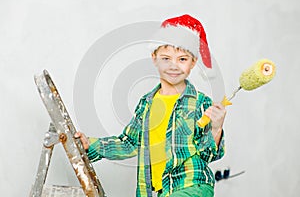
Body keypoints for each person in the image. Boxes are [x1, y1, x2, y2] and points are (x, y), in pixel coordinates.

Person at [75, 14, 226, 197]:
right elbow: (129, 143)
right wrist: (90, 144)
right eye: (166, 58)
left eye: (182, 59)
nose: (174, 65)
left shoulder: (201, 103)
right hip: (161, 191)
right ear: (154, 58)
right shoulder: (146, 104)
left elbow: (208, 155)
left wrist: (216, 129)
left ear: (193, 62)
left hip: (192, 185)